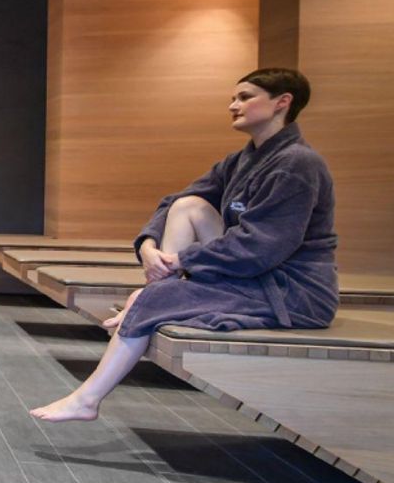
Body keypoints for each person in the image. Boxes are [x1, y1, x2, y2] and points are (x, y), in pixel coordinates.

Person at [31, 67, 337, 423]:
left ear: (282, 102)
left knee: (152, 299)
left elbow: (261, 247)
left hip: (291, 291)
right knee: (187, 206)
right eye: (233, 98)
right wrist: (149, 246)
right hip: (255, 276)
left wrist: (180, 260)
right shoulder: (240, 161)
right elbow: (174, 201)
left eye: (244, 97)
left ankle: (87, 400)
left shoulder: (296, 164)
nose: (233, 105)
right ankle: (157, 290)